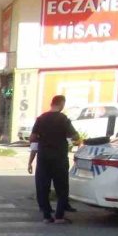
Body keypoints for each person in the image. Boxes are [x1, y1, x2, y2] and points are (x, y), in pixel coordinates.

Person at [28, 95, 82, 224]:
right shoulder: (63, 119)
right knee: (62, 187)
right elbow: (75, 136)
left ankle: (47, 216)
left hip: (43, 157)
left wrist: (43, 139)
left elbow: (32, 137)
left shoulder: (41, 119)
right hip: (59, 157)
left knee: (43, 186)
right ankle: (59, 216)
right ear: (62, 104)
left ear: (51, 103)